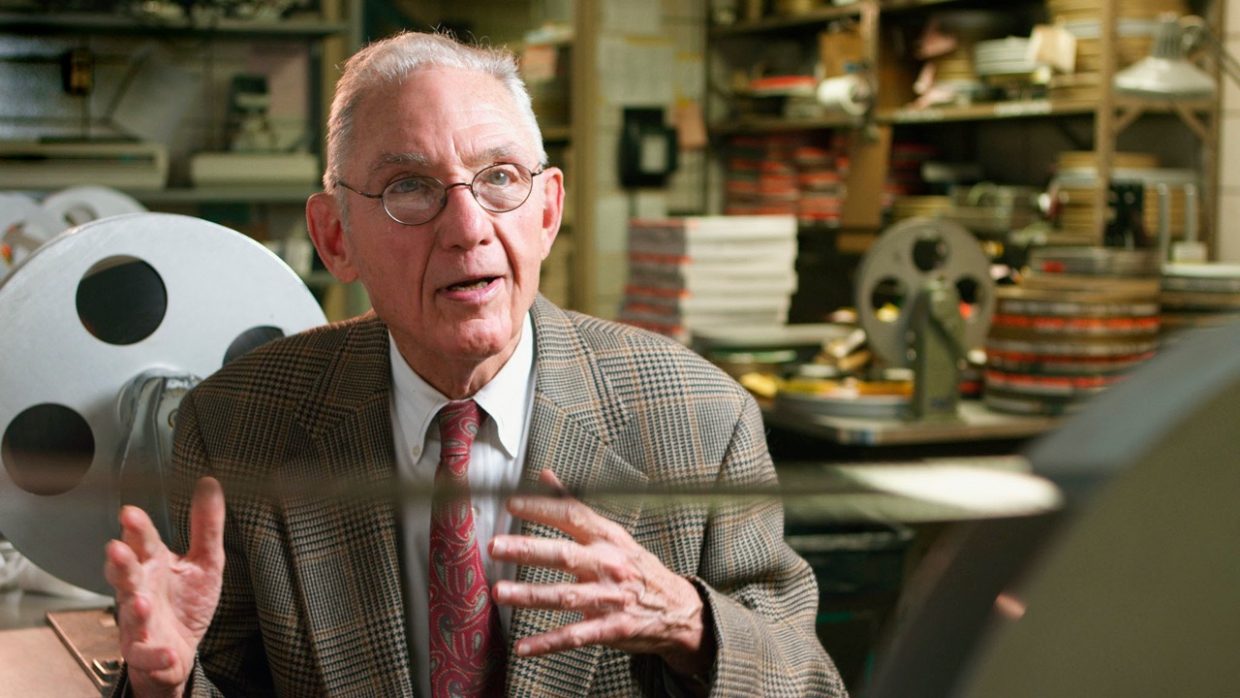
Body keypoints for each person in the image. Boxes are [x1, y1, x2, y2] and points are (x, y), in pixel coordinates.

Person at [103, 30, 845, 697]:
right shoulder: (238, 425)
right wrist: (162, 687)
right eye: (409, 189)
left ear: (548, 211)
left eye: (498, 178)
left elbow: (809, 682)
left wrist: (687, 621)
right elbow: (221, 680)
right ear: (336, 237)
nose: (468, 229)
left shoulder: (700, 418)